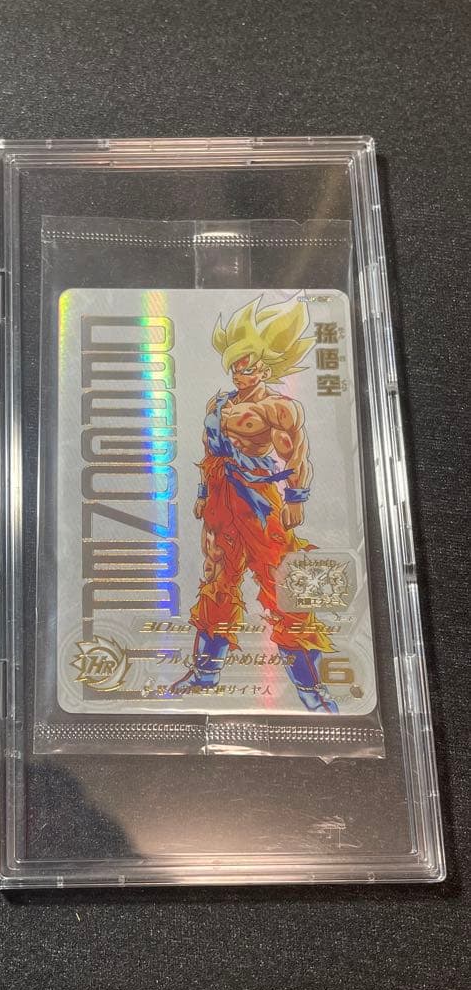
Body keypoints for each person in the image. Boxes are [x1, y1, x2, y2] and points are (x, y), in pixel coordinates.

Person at [172, 294, 338, 713]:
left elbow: (297, 454)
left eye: (248, 366)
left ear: (265, 367)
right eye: (235, 366)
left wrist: (296, 497)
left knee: (282, 585)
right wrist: (203, 494)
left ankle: (312, 691)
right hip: (222, 501)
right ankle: (204, 675)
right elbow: (210, 453)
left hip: (261, 502)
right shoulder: (218, 405)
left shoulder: (279, 408)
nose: (240, 373)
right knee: (216, 582)